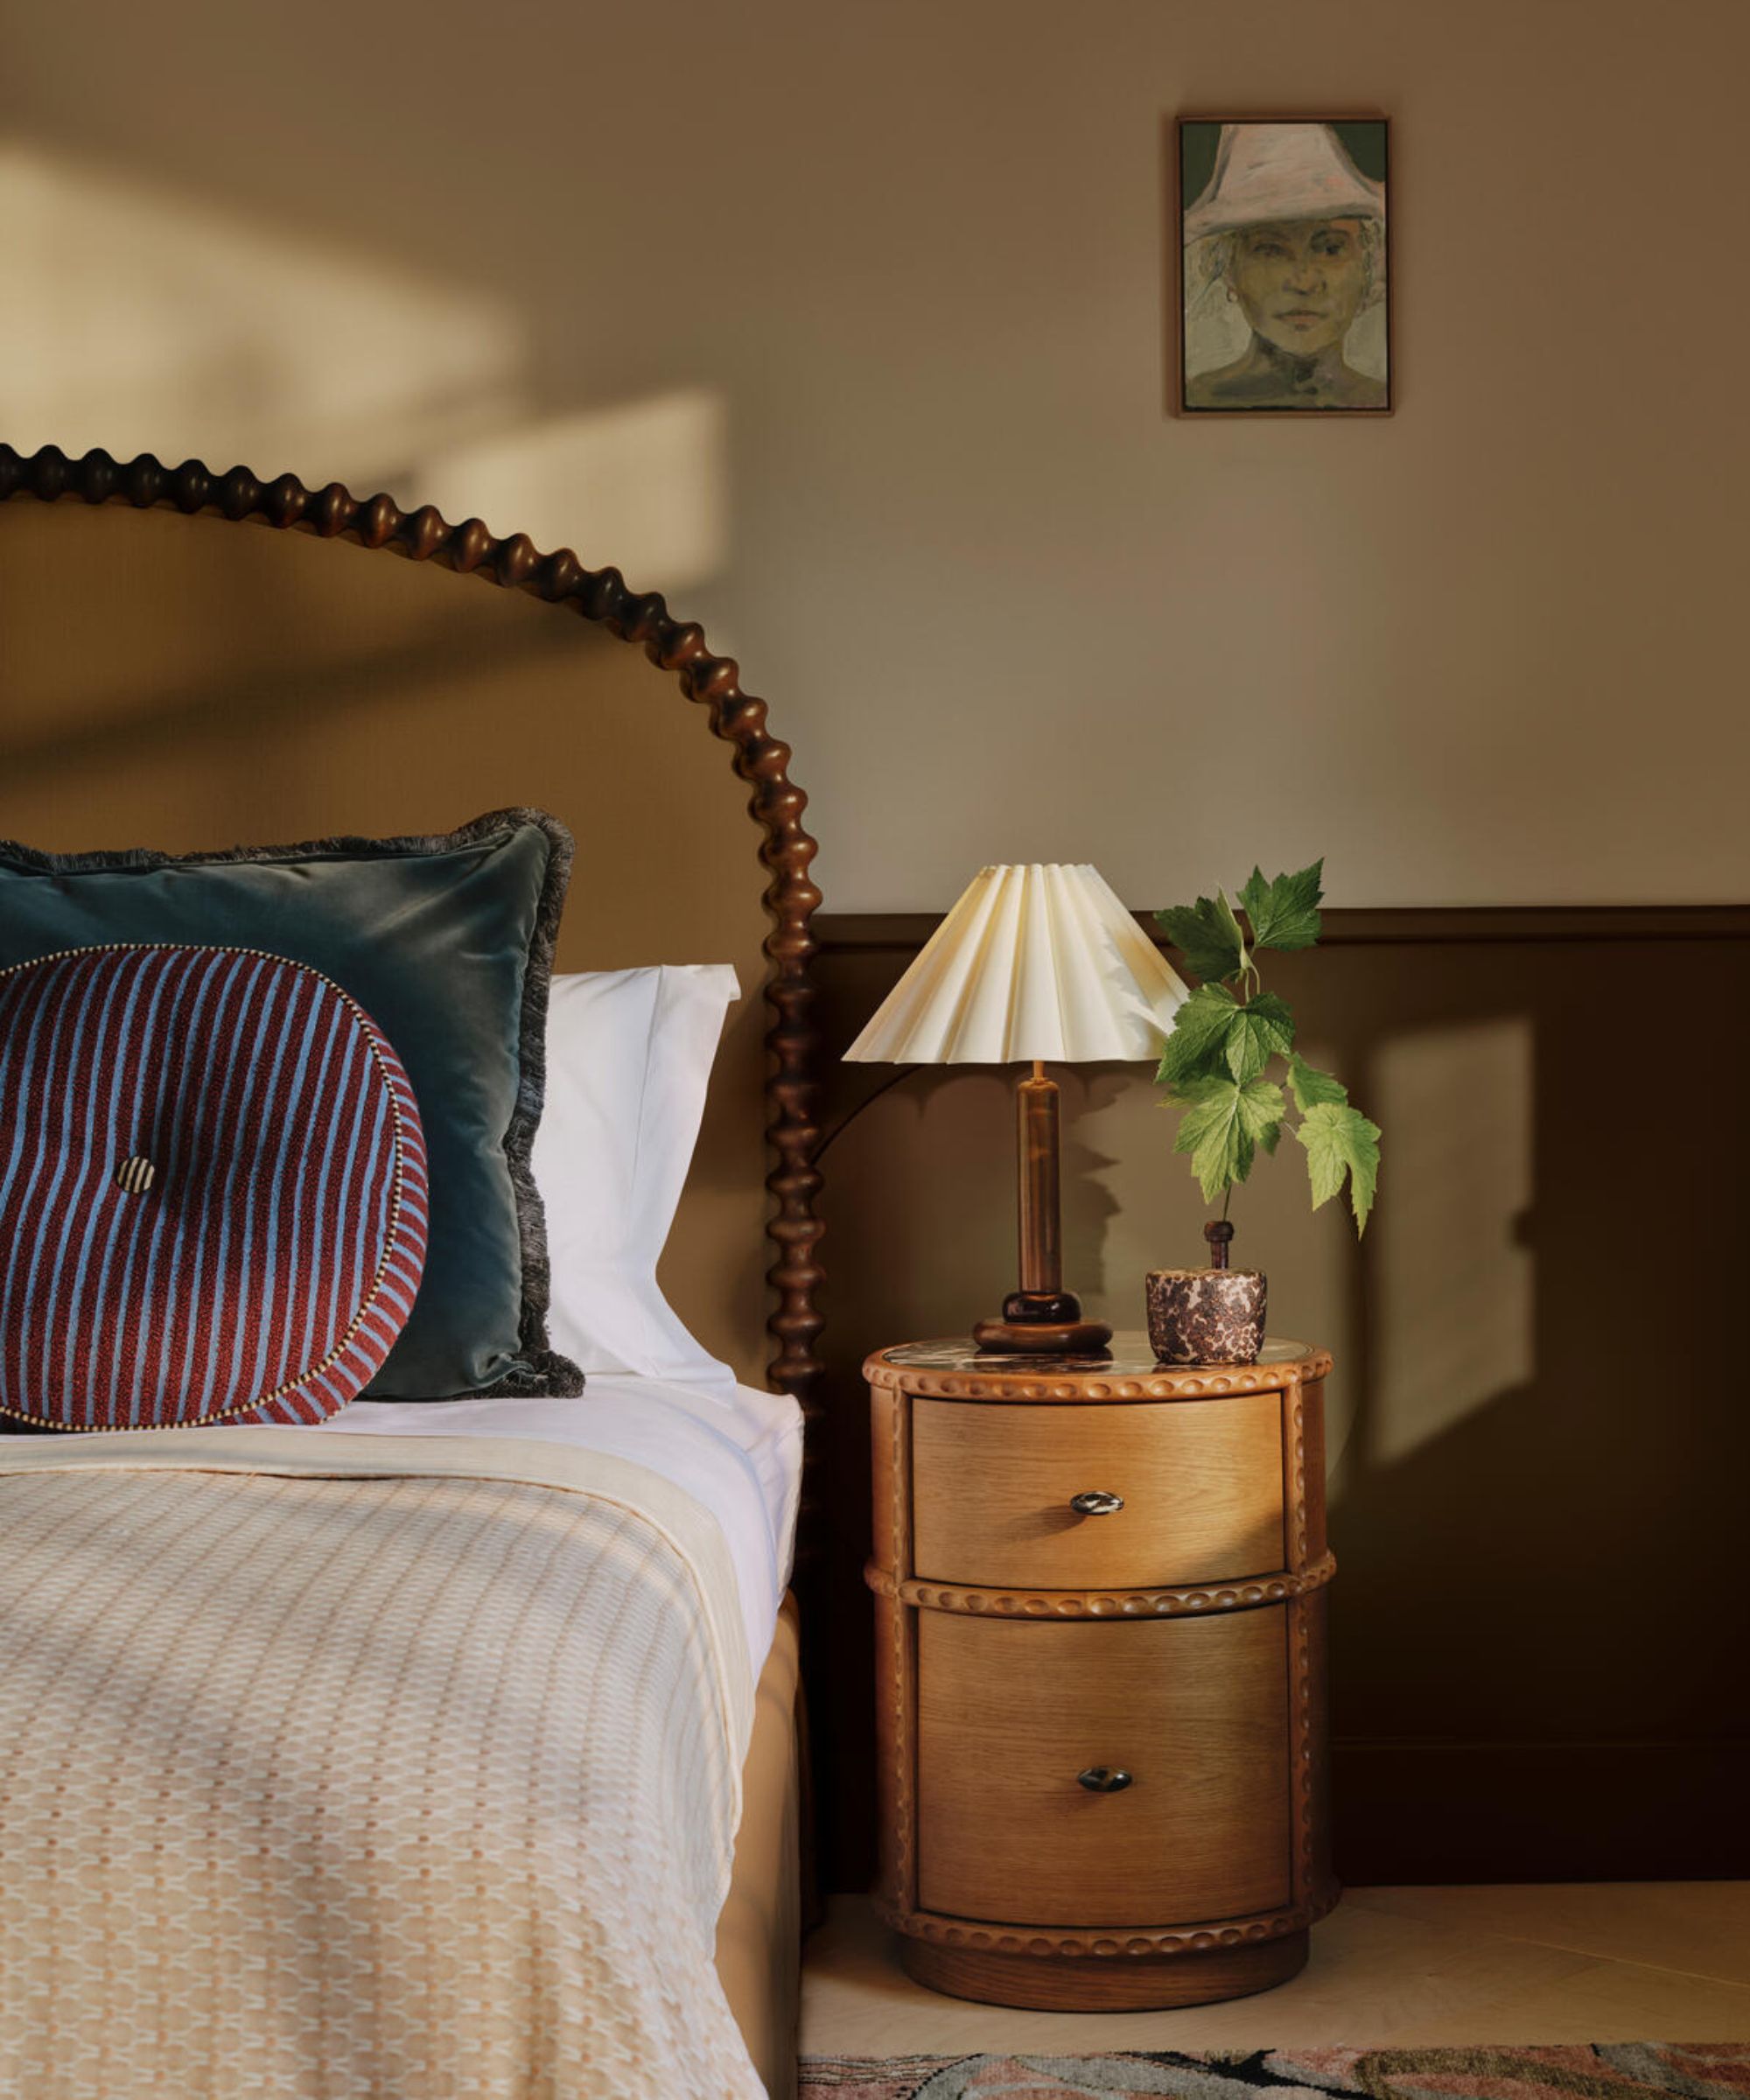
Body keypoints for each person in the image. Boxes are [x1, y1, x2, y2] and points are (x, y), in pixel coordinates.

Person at [1182, 122, 1387, 411]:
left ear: (1367, 262)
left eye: (1330, 249)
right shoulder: (1195, 398)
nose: (1303, 282)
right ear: (1228, 268)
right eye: (1271, 251)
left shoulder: (1384, 399)